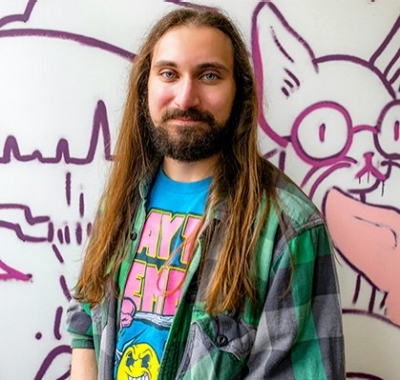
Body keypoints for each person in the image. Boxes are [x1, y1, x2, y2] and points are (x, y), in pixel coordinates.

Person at [66, 7, 345, 380]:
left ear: (239, 93)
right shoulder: (120, 201)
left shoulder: (289, 229)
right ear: (145, 86)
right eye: (169, 73)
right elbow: (85, 323)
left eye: (209, 75)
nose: (186, 97)